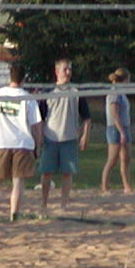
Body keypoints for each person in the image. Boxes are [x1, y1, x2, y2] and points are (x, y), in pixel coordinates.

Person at [0, 61, 42, 223]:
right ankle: (14, 215)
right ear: (24, 78)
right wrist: (38, 145)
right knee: (18, 181)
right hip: (22, 144)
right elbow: (36, 125)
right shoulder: (28, 98)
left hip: (2, 143)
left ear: (10, 76)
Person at [37, 57, 91, 210]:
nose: (68, 72)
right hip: (50, 138)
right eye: (65, 69)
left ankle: (64, 204)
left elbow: (87, 118)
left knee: (67, 173)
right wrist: (39, 137)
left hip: (70, 138)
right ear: (57, 71)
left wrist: (85, 135)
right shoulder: (48, 92)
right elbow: (39, 118)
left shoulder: (76, 92)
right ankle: (44, 203)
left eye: (70, 69)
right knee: (46, 172)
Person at [100, 67, 134, 193]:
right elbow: (114, 112)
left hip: (125, 126)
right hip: (115, 128)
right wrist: (121, 131)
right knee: (113, 159)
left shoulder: (121, 93)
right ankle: (104, 186)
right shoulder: (114, 93)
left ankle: (126, 185)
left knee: (126, 158)